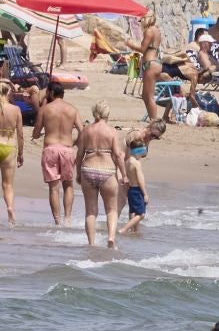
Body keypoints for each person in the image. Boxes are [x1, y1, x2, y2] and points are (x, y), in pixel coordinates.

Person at [76, 102, 124, 249]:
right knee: (111, 209)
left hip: (88, 169)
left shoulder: (86, 130)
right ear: (107, 115)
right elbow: (118, 155)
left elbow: (79, 154)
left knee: (90, 211)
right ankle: (111, 238)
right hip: (107, 171)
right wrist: (124, 174)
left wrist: (78, 172)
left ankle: (91, 243)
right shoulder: (112, 132)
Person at [32, 81, 78, 226]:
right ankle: (68, 219)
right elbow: (82, 131)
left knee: (54, 187)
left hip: (51, 148)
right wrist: (73, 143)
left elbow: (36, 132)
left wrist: (38, 134)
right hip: (67, 149)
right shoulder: (72, 109)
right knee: (68, 185)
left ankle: (58, 222)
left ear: (51, 93)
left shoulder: (45, 110)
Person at [121, 120, 162, 235]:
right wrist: (145, 194)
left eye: (156, 137)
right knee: (141, 214)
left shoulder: (131, 161)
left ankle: (133, 230)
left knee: (132, 209)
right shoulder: (136, 162)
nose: (153, 138)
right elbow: (140, 180)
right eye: (153, 135)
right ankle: (124, 229)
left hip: (130, 183)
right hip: (135, 187)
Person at [137, 8, 166, 123]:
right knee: (145, 95)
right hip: (155, 62)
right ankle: (152, 120)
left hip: (150, 63)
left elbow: (142, 49)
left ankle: (154, 121)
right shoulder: (157, 30)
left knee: (149, 97)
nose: (141, 22)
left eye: (142, 19)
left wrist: (129, 43)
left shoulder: (149, 31)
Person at [0, 80, 21, 223]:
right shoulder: (15, 110)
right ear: (8, 93)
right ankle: (9, 208)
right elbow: (20, 134)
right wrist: (21, 154)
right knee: (8, 184)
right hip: (9, 146)